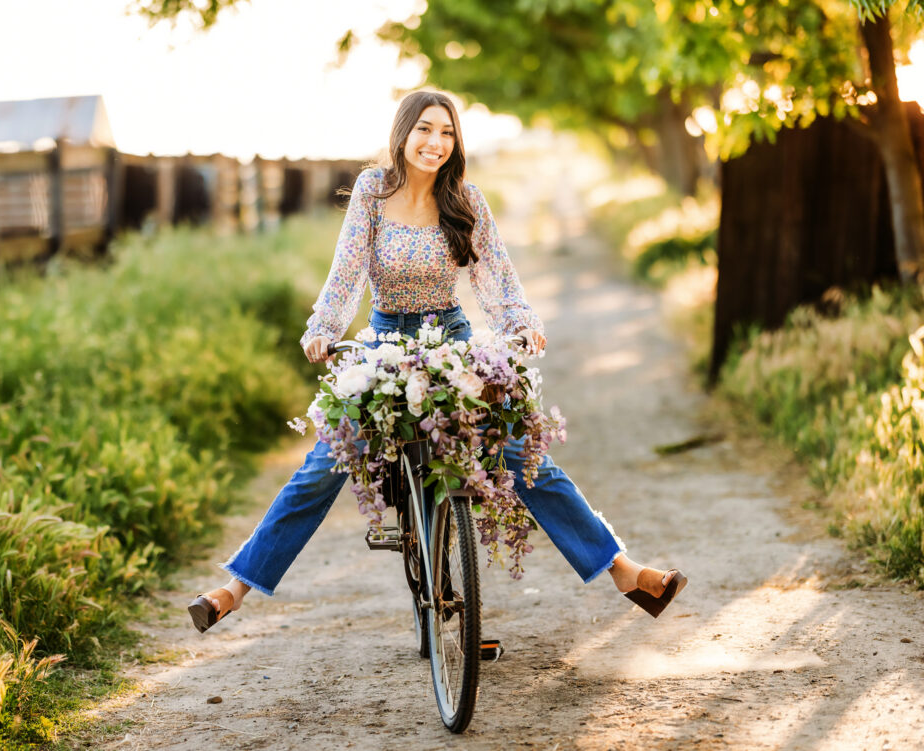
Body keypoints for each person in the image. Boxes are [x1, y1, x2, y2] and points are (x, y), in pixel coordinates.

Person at [188, 90, 687, 634]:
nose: (436, 143)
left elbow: (496, 277)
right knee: (327, 461)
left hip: (451, 342)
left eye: (447, 133)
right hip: (383, 347)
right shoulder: (372, 194)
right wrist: (323, 331)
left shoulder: (465, 199)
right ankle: (235, 588)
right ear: (402, 135)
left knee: (520, 450)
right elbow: (346, 275)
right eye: (425, 129)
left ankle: (622, 570)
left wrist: (521, 324)